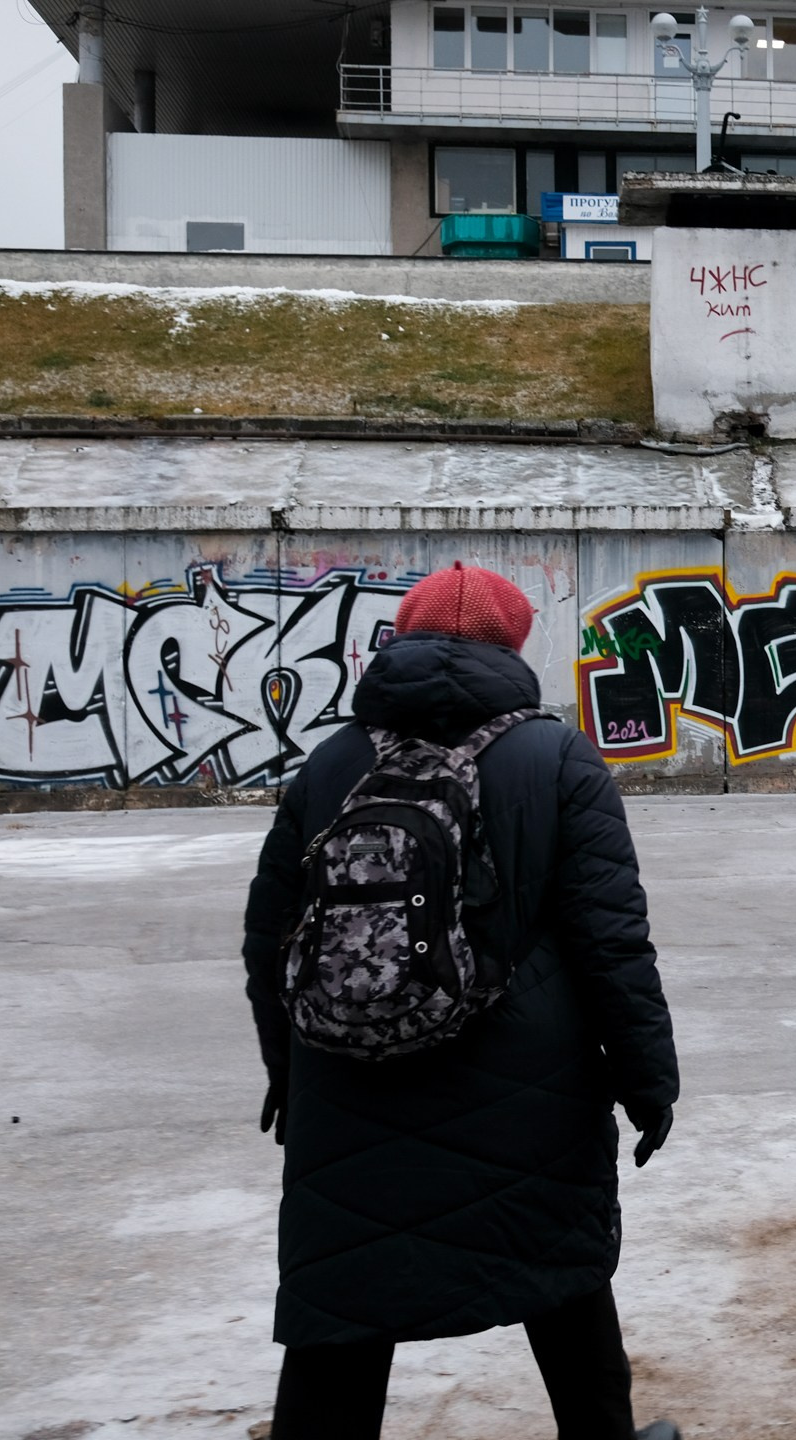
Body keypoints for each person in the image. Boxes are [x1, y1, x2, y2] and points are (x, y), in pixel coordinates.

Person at [240, 564, 683, 1440]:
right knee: (560, 1274)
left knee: (344, 1298)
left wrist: (289, 1073)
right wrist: (647, 1080)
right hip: (530, 1088)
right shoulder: (558, 758)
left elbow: (269, 935)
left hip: (347, 1084)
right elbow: (610, 941)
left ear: (400, 640)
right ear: (514, 645)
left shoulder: (332, 763)